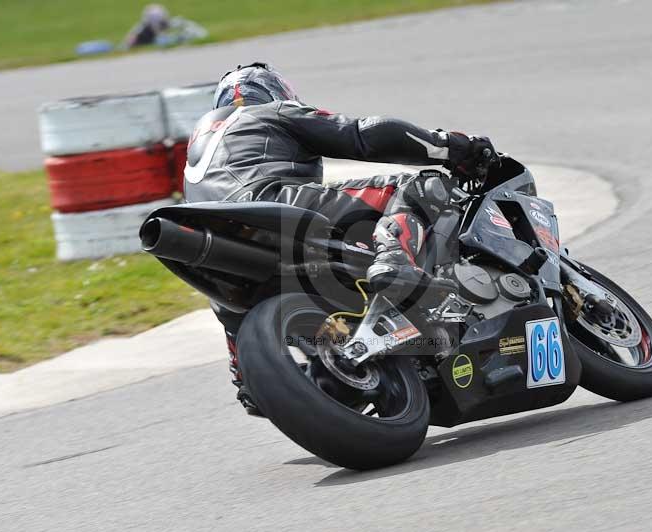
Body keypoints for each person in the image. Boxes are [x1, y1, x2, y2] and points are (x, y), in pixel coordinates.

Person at [185, 62, 498, 414]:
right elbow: (365, 135)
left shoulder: (196, 151)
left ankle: (254, 369)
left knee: (230, 293)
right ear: (276, 93)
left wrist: (254, 378)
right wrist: (451, 147)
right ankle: (394, 258)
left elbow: (232, 315)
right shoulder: (269, 112)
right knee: (417, 186)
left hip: (220, 242)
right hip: (275, 202)